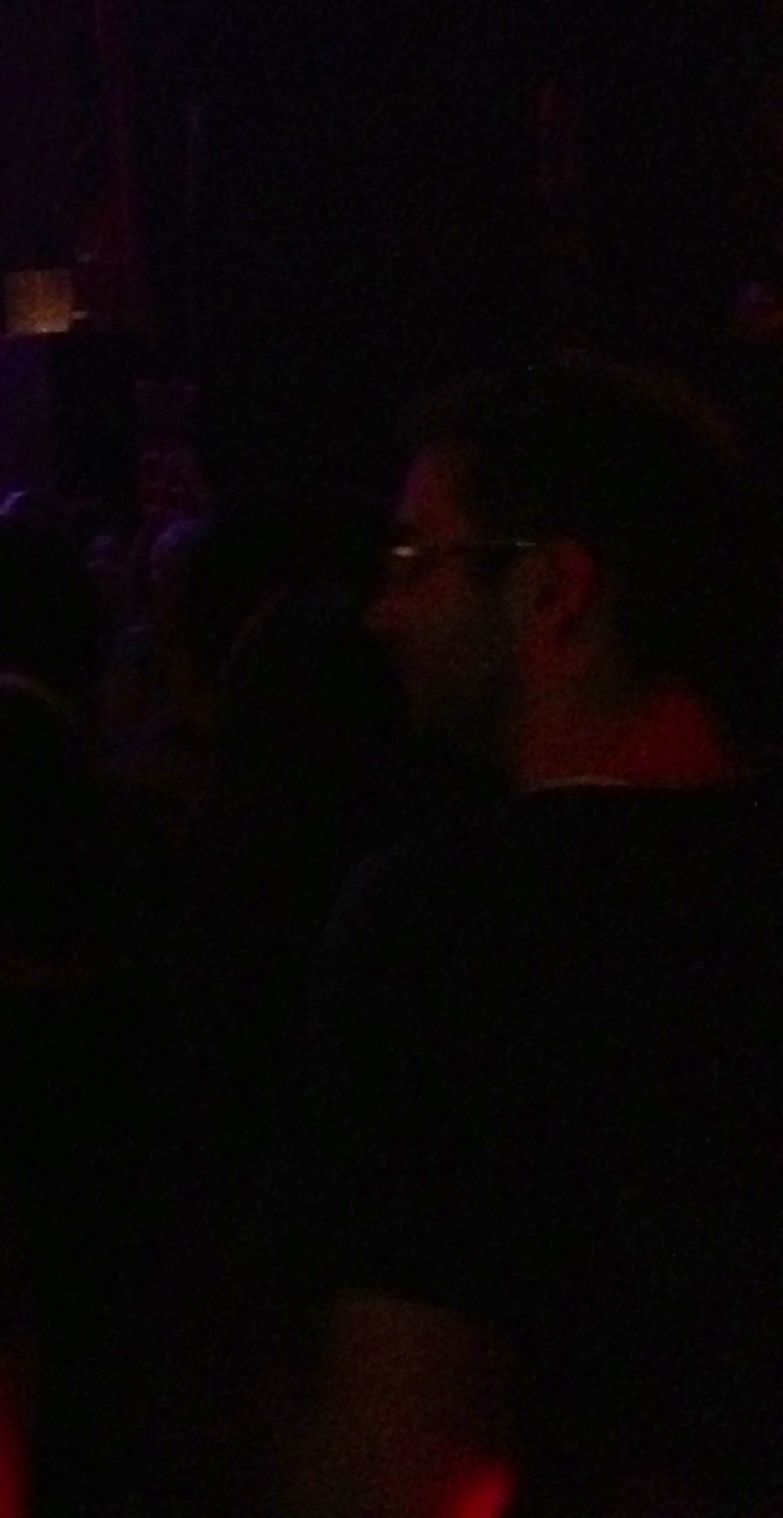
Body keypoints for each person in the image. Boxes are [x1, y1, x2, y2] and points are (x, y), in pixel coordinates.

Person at [278, 361, 783, 1518]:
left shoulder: (452, 923)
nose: (382, 611)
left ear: (555, 589)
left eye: (416, 559)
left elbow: (407, 1456)